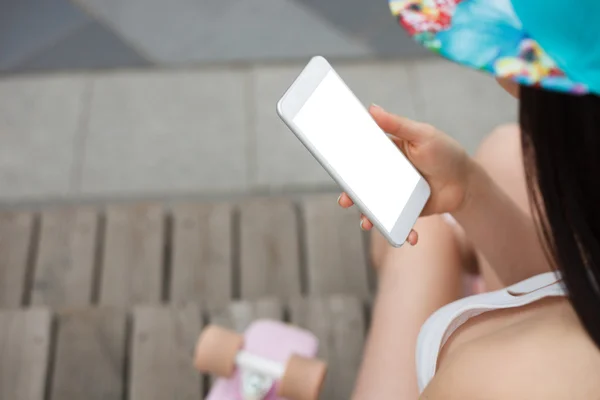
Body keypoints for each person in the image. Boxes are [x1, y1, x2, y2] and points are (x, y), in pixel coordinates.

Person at [337, 0, 600, 398]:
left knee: (418, 245)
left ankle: (446, 249)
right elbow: (568, 289)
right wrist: (468, 191)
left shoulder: (484, 377)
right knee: (502, 154)